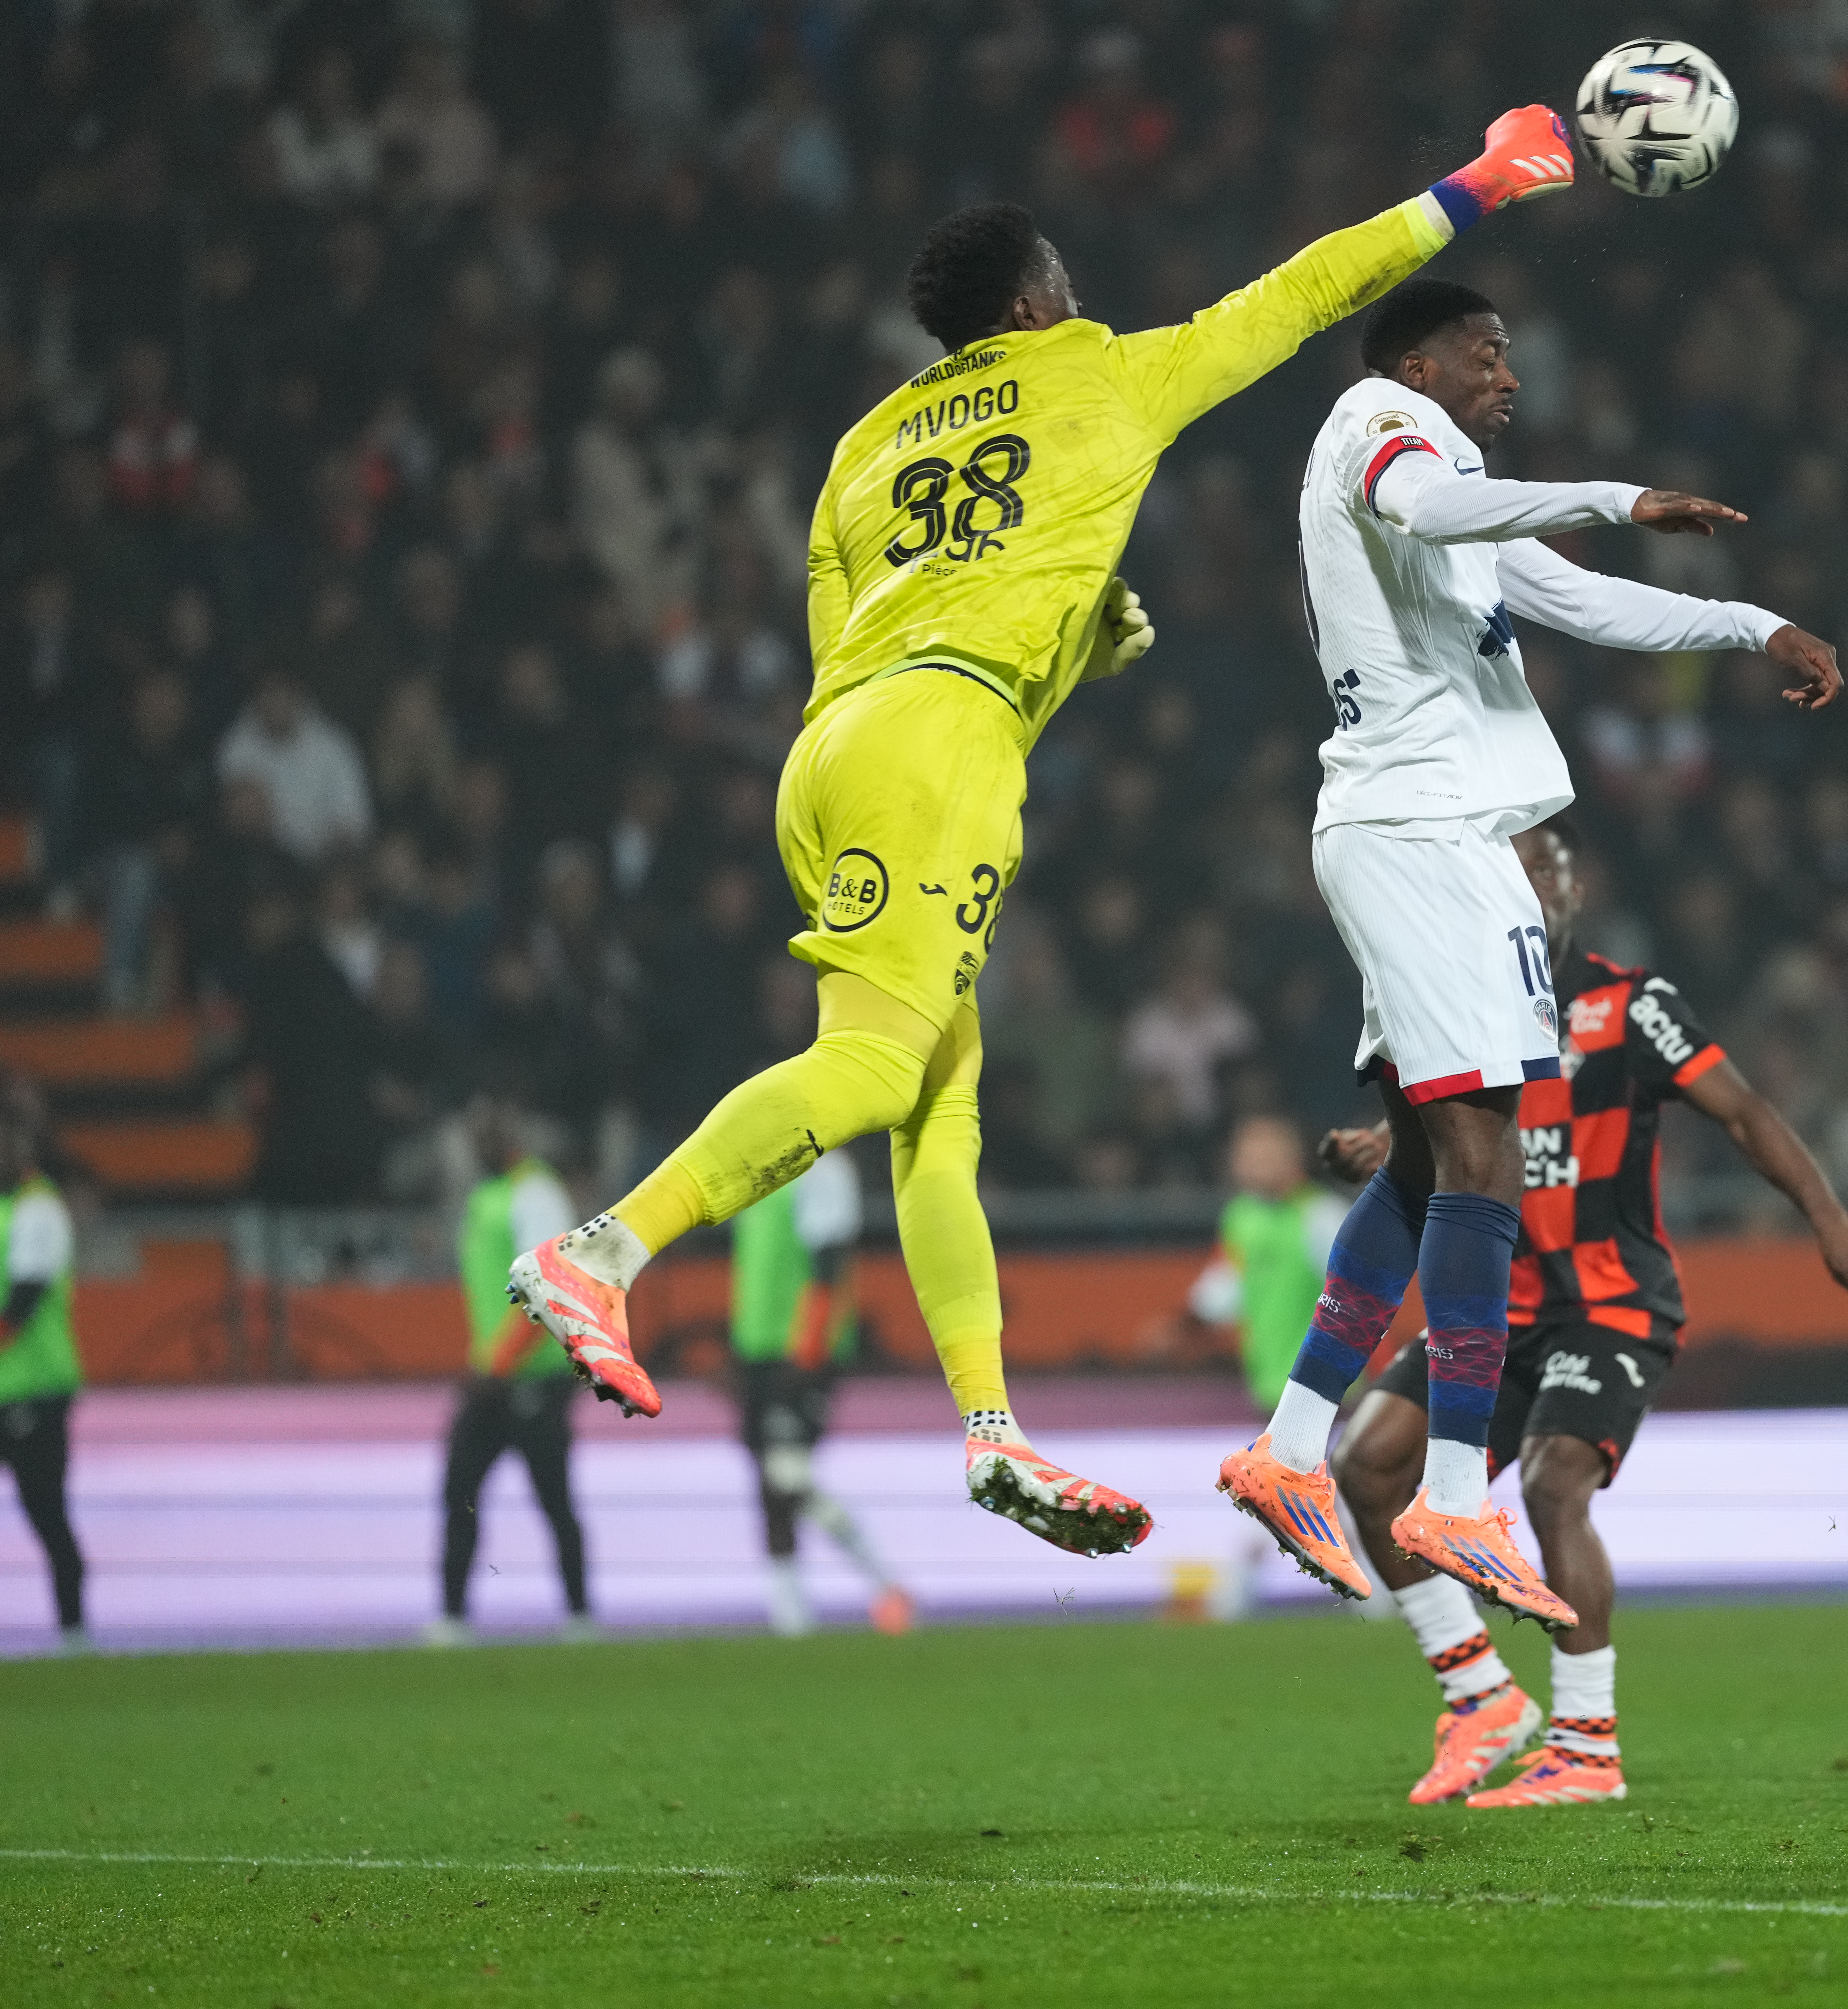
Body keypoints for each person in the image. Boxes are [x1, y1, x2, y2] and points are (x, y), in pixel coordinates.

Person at [503, 107, 1582, 1564]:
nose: (1076, 295)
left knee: (941, 1093)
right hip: (942, 748)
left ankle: (992, 1432)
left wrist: (1071, 648)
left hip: (831, 752)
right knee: (877, 1066)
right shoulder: (1101, 378)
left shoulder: (866, 447)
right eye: (1062, 279)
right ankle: (601, 1250)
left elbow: (862, 646)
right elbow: (1310, 293)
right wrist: (1473, 186)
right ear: (1032, 306)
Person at [1216, 274, 1848, 1629]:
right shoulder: (1384, 422)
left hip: (1423, 824)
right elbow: (1433, 500)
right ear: (1423, 364)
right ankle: (1449, 1489)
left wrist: (1750, 626)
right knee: (1487, 1137)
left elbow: (1586, 604)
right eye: (1489, 355)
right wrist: (1618, 492)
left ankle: (1285, 1451)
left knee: (1440, 1148)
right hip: (1424, 826)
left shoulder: (1447, 493)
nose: (1510, 377)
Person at [1321, 826, 1848, 1806]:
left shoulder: (1627, 1004)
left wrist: (1835, 1227)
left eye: (1548, 864)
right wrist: (1384, 1145)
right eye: (1512, 866)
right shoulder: (1456, 1007)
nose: (1533, 881)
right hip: (1493, 1313)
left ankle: (1587, 1749)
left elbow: (1746, 1112)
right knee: (1365, 1462)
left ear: (1575, 888)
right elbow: (1460, 1128)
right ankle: (1477, 1692)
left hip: (1610, 1307)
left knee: (1555, 1487)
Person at [729, 1145, 912, 1638]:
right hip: (758, 1351)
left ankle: (816, 1609)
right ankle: (843, 1597)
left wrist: (808, 1351)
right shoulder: (756, 1171)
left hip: (802, 1354)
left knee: (783, 1480)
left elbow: (828, 1263)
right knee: (777, 1481)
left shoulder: (824, 1169)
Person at [429, 1097, 593, 1645]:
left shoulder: (534, 1191)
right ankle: (452, 1618)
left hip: (534, 1376)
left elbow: (544, 1290)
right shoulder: (487, 1196)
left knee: (552, 1497)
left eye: (489, 1131)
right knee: (461, 1490)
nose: (479, 1143)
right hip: (495, 1373)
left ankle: (579, 1616)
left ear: (510, 1133)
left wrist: (495, 1364)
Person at [1172, 1116, 1347, 1413]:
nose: (1257, 1166)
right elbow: (1228, 1285)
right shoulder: (1240, 1216)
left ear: (1294, 1159)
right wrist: (1185, 1324)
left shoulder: (1323, 1216)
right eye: (1249, 1158)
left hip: (1328, 1390)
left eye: (1267, 1157)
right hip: (1265, 1381)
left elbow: (1358, 1299)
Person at [0, 1113, 87, 1651]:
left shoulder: (38, 1209)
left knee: (46, 1511)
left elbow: (23, 1302)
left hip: (33, 1385)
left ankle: (75, 1634)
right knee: (47, 1512)